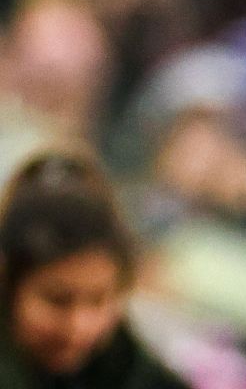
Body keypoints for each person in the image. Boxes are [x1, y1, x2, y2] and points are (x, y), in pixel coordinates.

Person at [0, 148, 188, 389]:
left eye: (98, 300)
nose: (80, 327)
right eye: (58, 301)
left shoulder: (127, 366)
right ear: (8, 284)